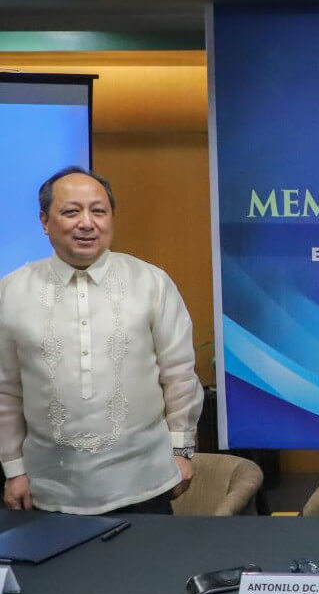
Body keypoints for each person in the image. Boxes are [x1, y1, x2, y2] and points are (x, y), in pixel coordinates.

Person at [0, 167, 203, 514]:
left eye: (98, 211)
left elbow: (180, 374)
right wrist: (14, 469)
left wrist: (181, 451)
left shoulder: (151, 283)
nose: (86, 223)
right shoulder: (12, 290)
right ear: (45, 222)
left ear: (111, 218)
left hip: (144, 483)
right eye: (70, 211)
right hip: (46, 488)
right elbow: (6, 389)